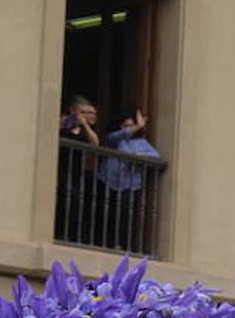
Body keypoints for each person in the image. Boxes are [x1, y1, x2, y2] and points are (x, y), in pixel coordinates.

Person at [98, 110, 161, 251]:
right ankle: (103, 242)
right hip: (109, 180)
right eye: (125, 126)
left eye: (131, 125)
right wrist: (138, 126)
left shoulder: (141, 142)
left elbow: (156, 156)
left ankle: (120, 244)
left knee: (125, 215)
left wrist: (138, 155)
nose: (128, 128)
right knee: (107, 212)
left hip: (130, 184)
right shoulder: (115, 138)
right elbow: (113, 137)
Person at [57, 94, 102, 244]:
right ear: (73, 110)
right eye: (83, 112)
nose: (87, 116)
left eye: (90, 113)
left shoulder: (85, 130)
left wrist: (85, 125)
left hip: (78, 171)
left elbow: (95, 143)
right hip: (62, 167)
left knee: (76, 204)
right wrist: (64, 122)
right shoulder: (64, 122)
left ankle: (73, 236)